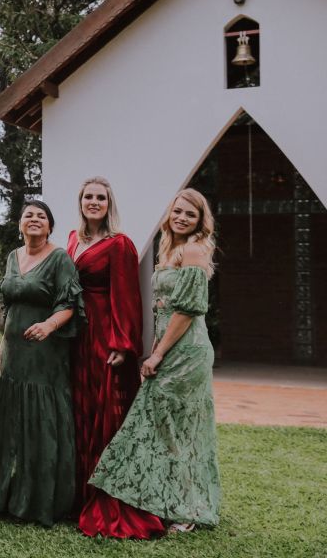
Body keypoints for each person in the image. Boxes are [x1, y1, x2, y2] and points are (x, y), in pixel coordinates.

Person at [90, 188, 221, 533]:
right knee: (167, 428)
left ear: (200, 221)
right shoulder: (170, 248)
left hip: (186, 352)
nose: (182, 218)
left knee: (175, 430)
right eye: (178, 211)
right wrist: (155, 349)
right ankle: (166, 500)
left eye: (190, 214)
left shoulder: (193, 249)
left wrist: (159, 353)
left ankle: (186, 511)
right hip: (169, 346)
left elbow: (187, 310)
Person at [67, 178, 164, 538]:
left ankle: (109, 493)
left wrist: (122, 344)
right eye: (88, 197)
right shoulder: (73, 239)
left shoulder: (120, 244)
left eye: (100, 197)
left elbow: (127, 296)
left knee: (104, 412)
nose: (94, 202)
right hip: (77, 335)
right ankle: (80, 492)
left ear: (109, 204)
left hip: (104, 336)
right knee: (80, 410)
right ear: (80, 202)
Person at [0, 199, 81, 526]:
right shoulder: (12, 257)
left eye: (41, 216)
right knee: (13, 423)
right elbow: (10, 306)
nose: (34, 219)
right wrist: (2, 346)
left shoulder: (59, 258)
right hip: (14, 354)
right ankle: (9, 497)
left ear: (50, 226)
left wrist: (48, 325)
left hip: (45, 353)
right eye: (28, 215)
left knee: (40, 422)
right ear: (19, 224)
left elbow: (69, 303)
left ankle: (41, 501)